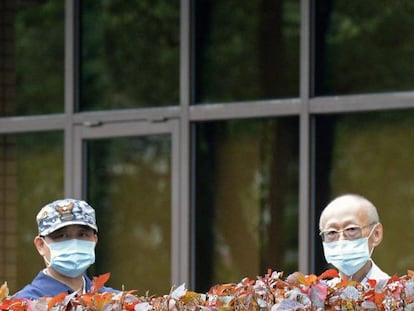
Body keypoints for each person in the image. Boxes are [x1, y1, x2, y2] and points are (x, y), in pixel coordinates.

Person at [13, 198, 119, 299]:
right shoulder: (24, 304)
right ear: (41, 245)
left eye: (82, 234)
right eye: (61, 236)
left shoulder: (115, 302)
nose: (74, 244)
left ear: (94, 240)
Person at [319, 194, 389, 287]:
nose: (341, 240)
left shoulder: (398, 294)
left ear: (376, 233)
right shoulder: (319, 296)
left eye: (351, 229)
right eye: (332, 232)